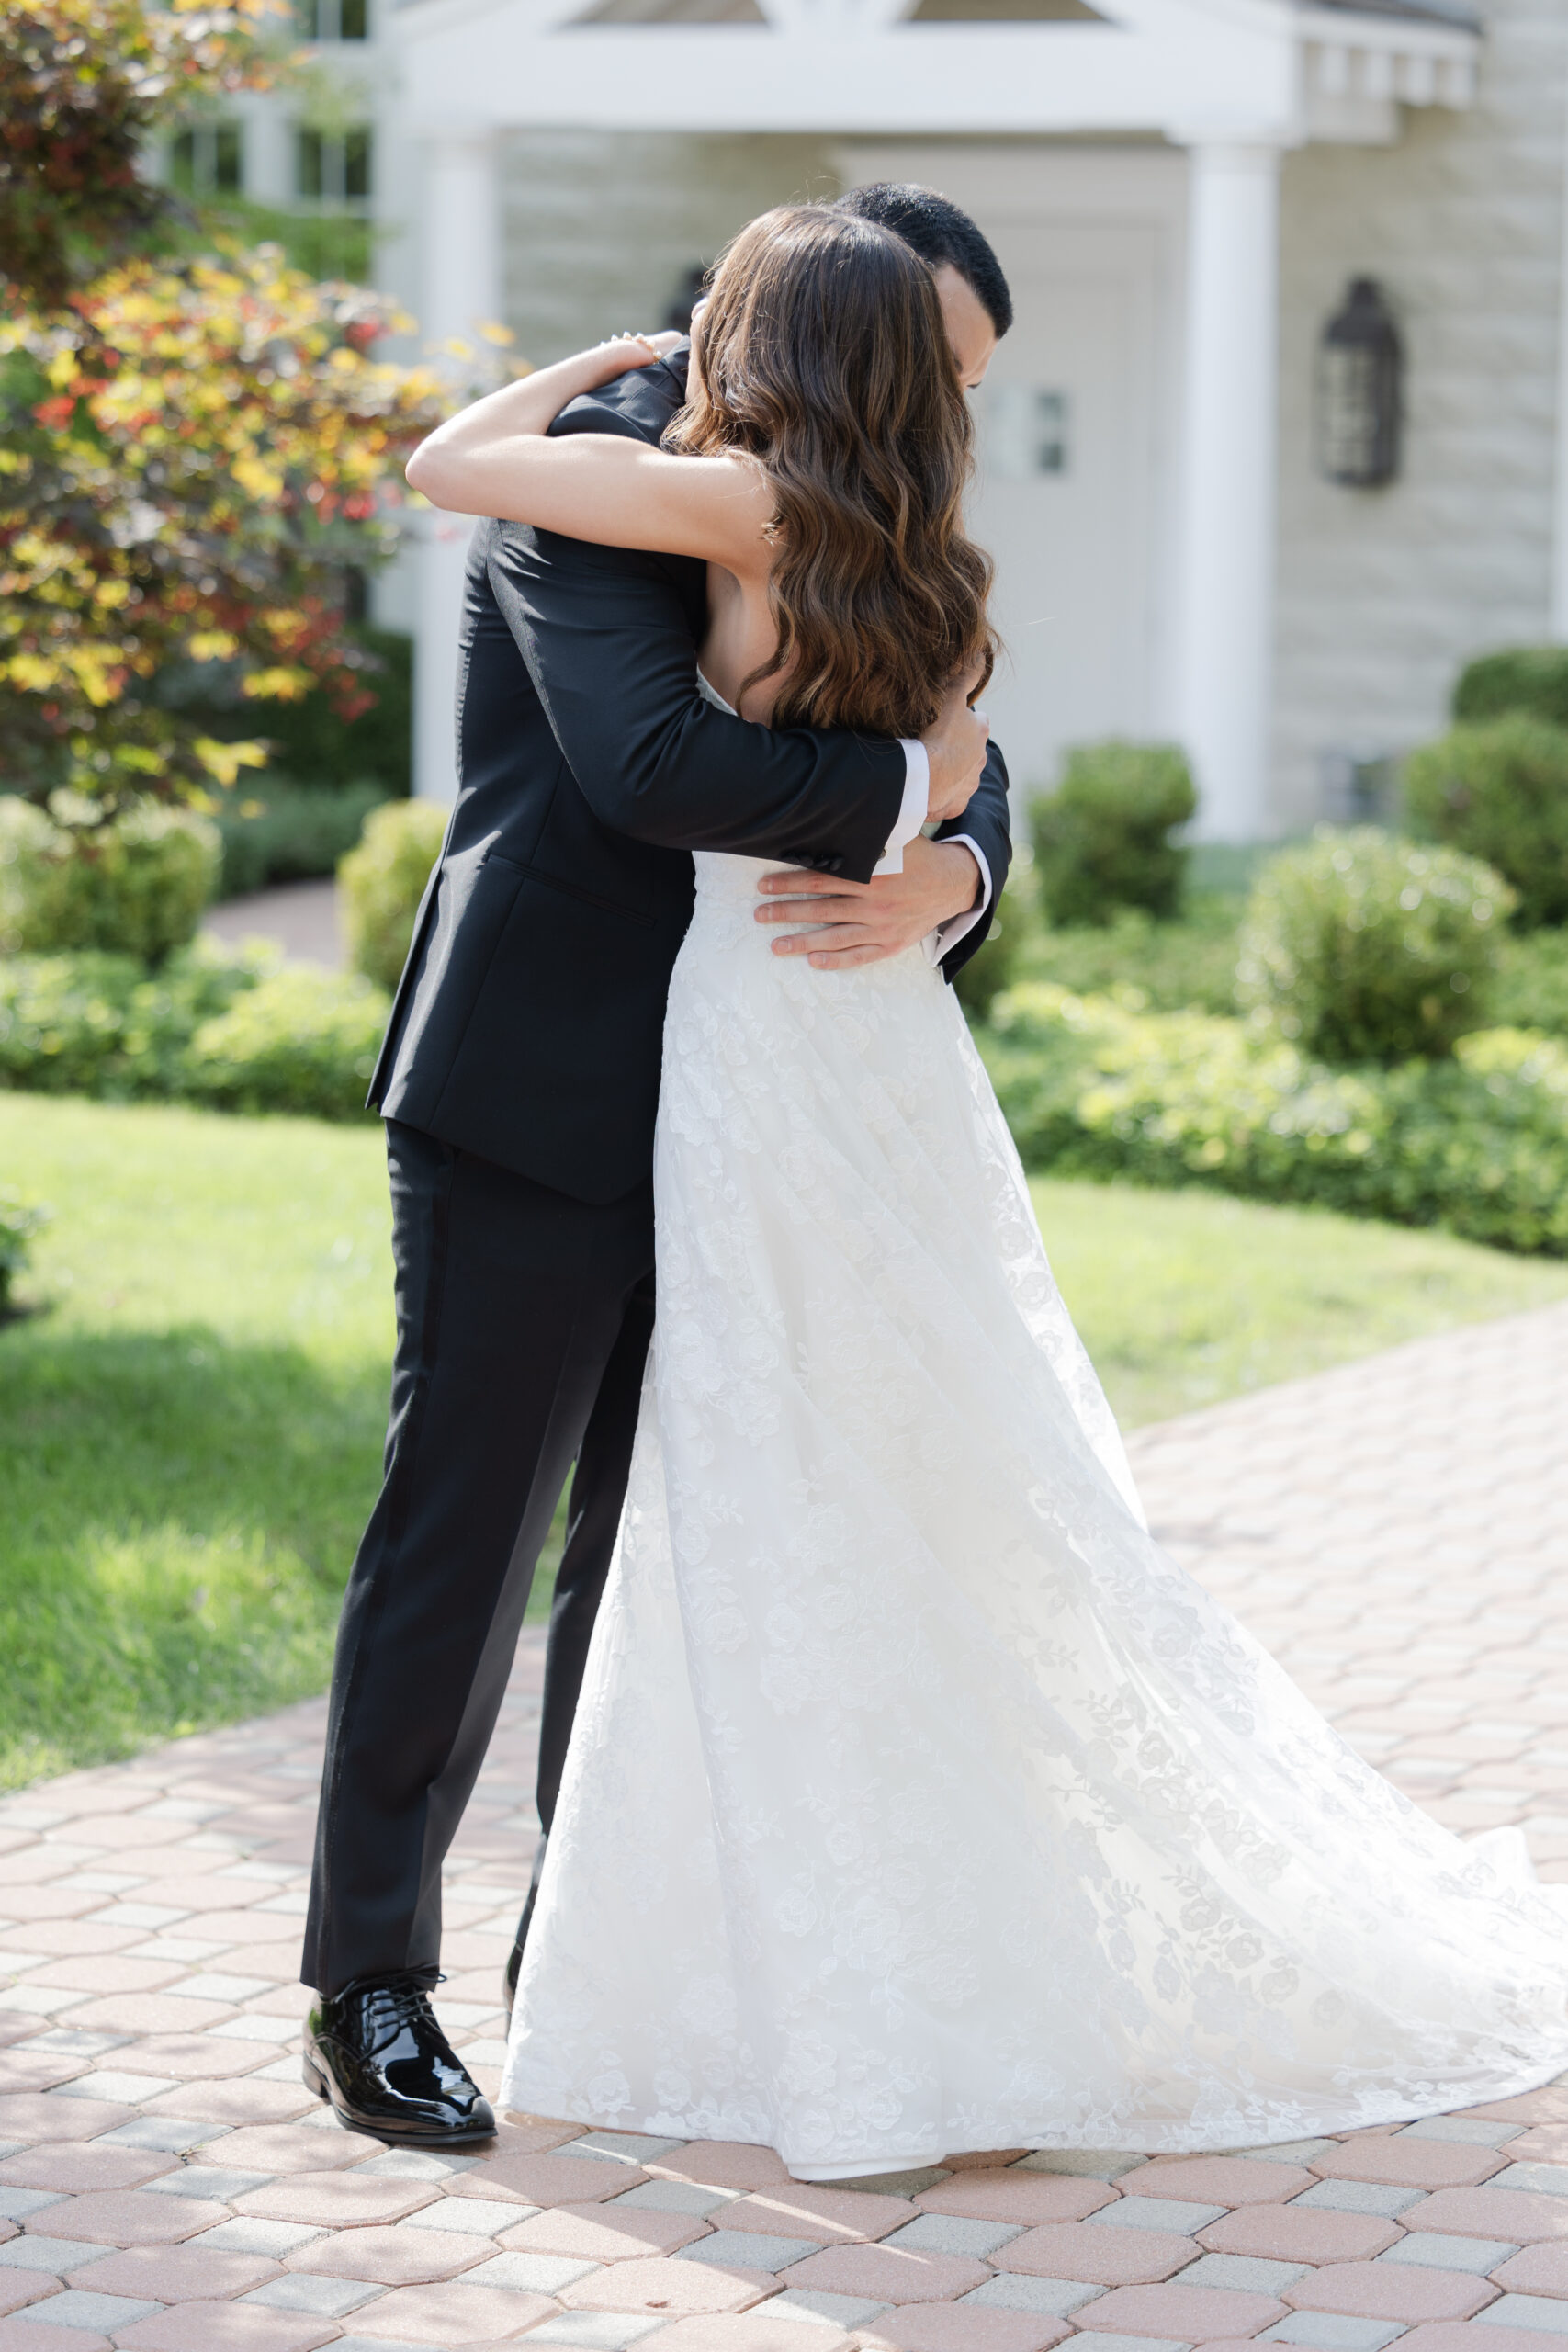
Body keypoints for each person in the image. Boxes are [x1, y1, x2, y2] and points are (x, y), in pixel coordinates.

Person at [410, 200, 1568, 2179]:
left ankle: (790, 1954)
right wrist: (923, 823)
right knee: (910, 1451)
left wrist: (606, 375)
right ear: (905, 380)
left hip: (753, 1030)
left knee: (752, 1470)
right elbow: (948, 758)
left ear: (755, 346)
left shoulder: (720, 508)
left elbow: (439, 469)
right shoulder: (930, 564)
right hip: (870, 1058)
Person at [299, 189, 1015, 2145]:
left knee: (656, 1558)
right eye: (925, 369)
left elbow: (963, 726)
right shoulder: (598, 484)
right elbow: (641, 765)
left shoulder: (853, 505)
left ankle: (583, 1963)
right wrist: (900, 800)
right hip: (536, 1082)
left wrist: (957, 861)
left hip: (752, 1097)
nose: (936, 416)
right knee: (464, 1534)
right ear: (821, 330)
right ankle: (370, 1977)